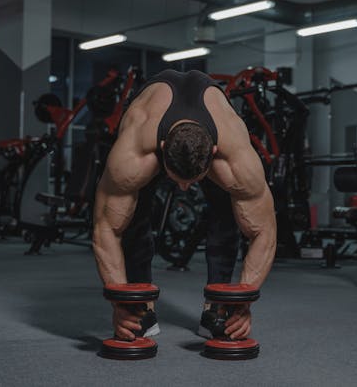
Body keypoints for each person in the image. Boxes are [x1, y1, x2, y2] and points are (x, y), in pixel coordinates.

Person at [92, 69, 276, 341]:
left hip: (211, 128)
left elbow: (264, 232)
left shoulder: (234, 154)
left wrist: (242, 303)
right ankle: (139, 309)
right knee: (133, 220)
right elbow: (105, 229)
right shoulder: (134, 152)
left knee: (227, 219)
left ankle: (219, 309)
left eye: (193, 182)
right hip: (151, 107)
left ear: (214, 153)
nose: (183, 188)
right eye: (177, 179)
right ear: (162, 148)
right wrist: (120, 303)